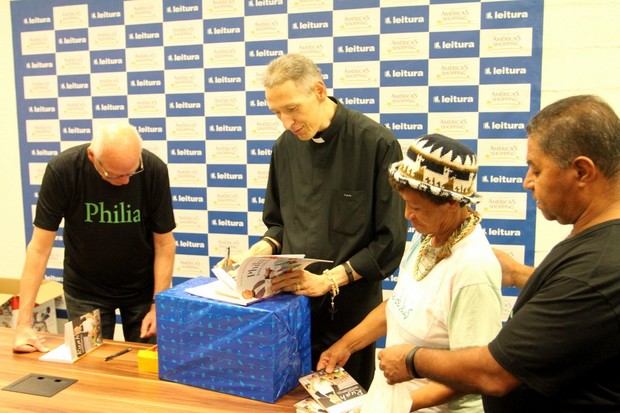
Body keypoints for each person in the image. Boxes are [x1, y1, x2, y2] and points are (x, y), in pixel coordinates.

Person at [376, 95, 620, 412]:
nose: (527, 182)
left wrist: (411, 360)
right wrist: (521, 275)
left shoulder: (596, 267)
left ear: (583, 171)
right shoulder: (594, 250)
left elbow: (494, 374)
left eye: (536, 168)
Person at [224, 53, 407, 389]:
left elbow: (389, 242)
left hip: (349, 316)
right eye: (277, 112)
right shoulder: (284, 148)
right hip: (290, 310)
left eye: (292, 108)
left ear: (319, 91)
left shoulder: (377, 143)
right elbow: (278, 224)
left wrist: (328, 280)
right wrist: (255, 253)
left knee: (344, 404)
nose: (286, 122)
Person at [318, 133, 503, 412]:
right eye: (405, 203)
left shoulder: (472, 269)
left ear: (453, 203)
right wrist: (345, 345)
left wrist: (394, 405)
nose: (407, 215)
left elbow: (475, 374)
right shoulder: (429, 235)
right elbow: (401, 305)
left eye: (416, 207)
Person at [13, 122, 176, 352]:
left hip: (143, 291)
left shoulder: (153, 169)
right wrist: (23, 324)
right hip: (85, 293)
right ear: (92, 156)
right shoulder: (63, 171)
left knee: (149, 366)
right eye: (115, 175)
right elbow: (39, 248)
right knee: (87, 363)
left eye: (132, 172)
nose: (126, 181)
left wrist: (157, 305)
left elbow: (165, 243)